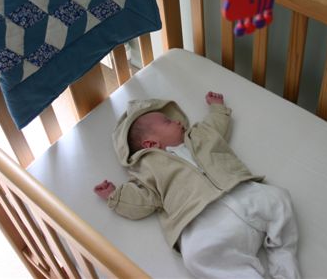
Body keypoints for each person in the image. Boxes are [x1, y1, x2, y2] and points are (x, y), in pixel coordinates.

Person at [94, 91, 301, 278]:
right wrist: (117, 196)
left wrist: (217, 108)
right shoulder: (149, 169)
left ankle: (283, 263)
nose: (176, 122)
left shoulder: (200, 134)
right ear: (151, 144)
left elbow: (217, 125)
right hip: (205, 220)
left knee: (279, 198)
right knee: (196, 256)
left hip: (242, 192)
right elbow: (143, 200)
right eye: (167, 122)